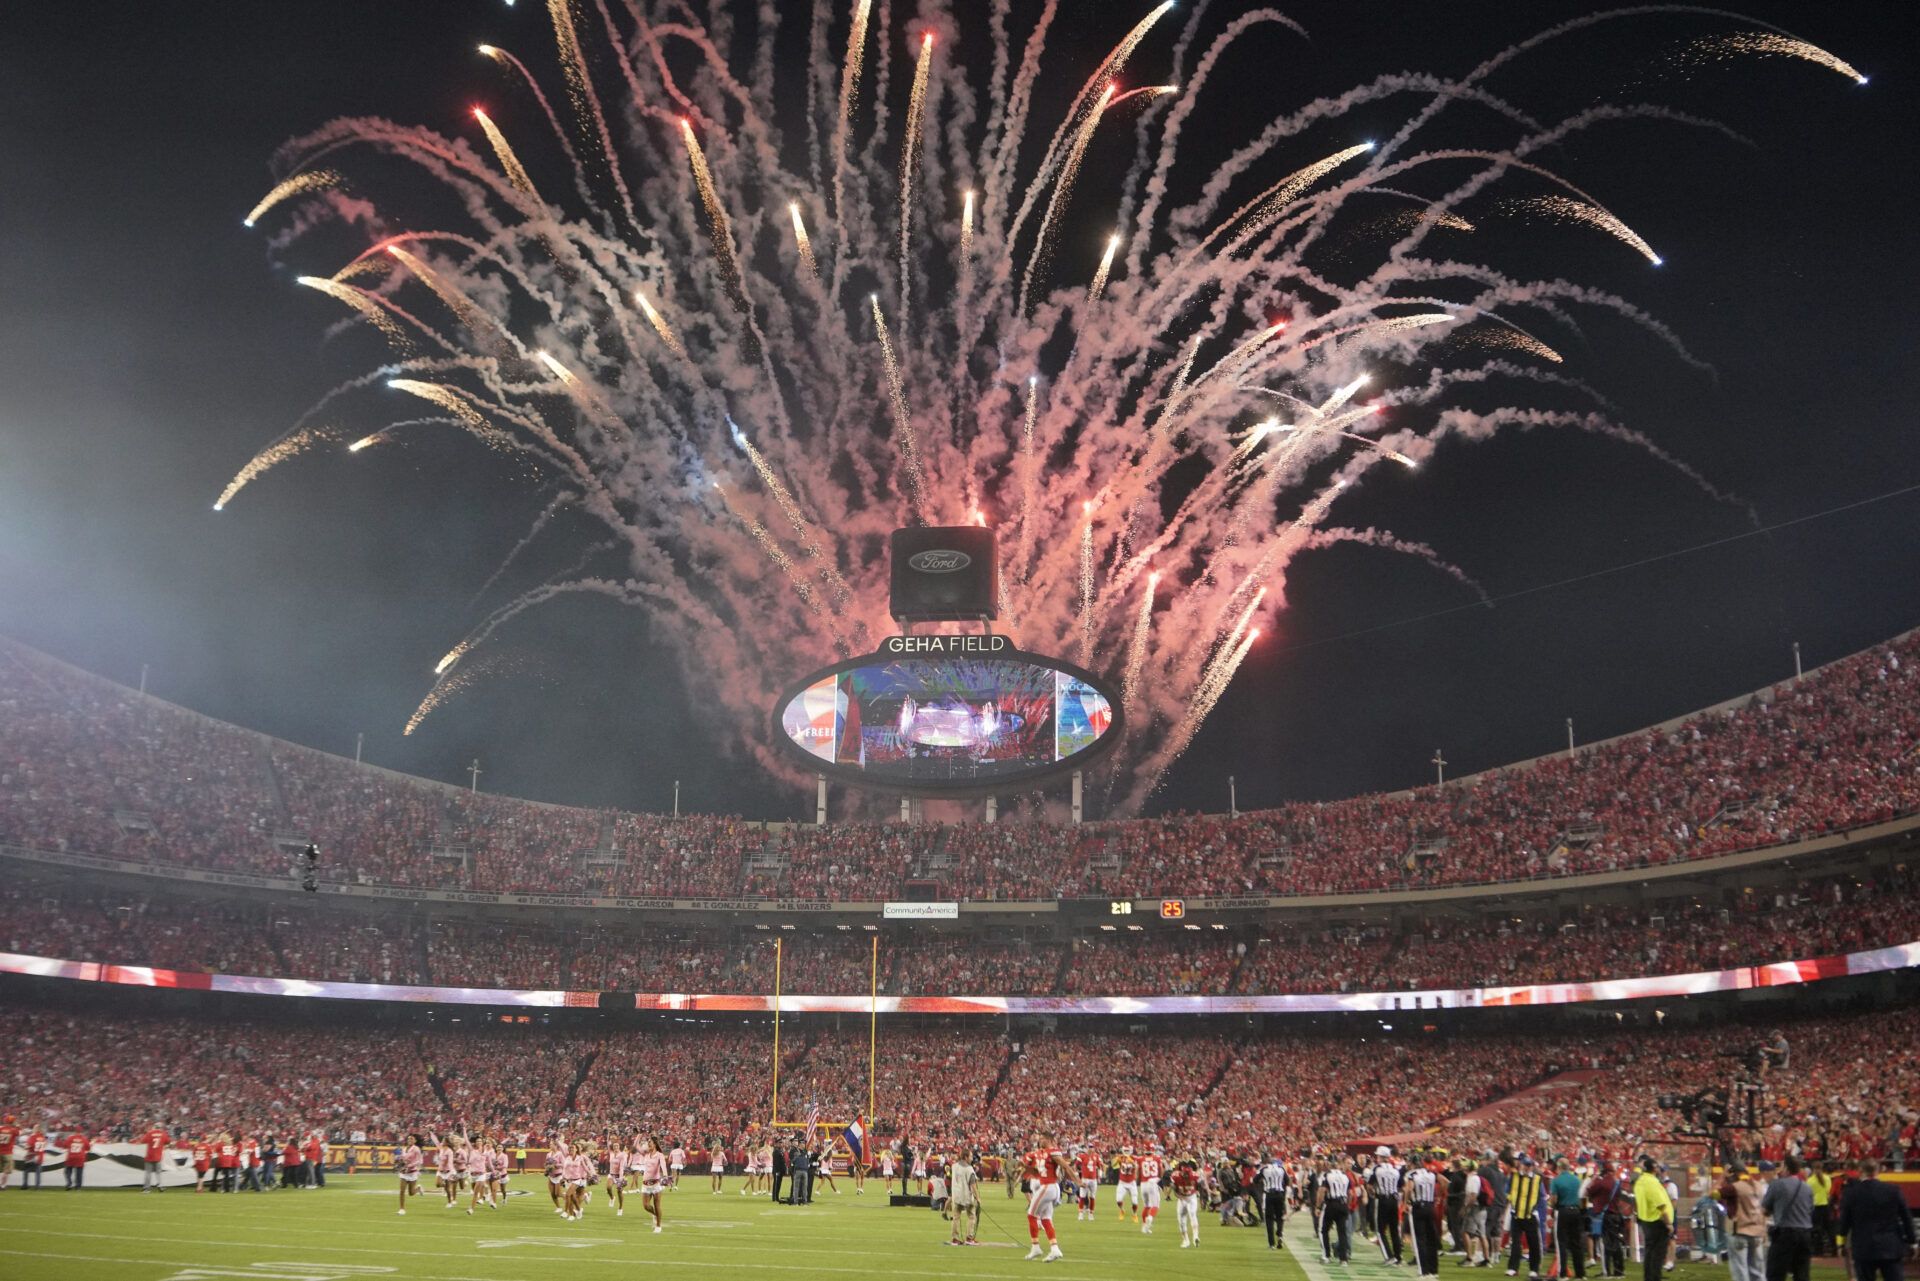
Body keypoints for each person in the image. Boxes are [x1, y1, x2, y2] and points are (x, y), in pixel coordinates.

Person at [1837, 1160, 1915, 1281]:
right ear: (1878, 1171)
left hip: (1863, 1247)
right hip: (1890, 1246)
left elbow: (1844, 1221)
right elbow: (1906, 1217)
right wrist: (1912, 1241)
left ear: (1860, 1172)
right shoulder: (1893, 1190)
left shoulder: (1851, 1193)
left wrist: (1841, 1242)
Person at [1763, 1155, 1816, 1281]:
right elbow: (1810, 1210)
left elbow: (1764, 1210)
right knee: (1802, 1273)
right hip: (1805, 1233)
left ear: (1786, 1167)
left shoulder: (1778, 1185)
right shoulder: (1807, 1187)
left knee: (1775, 1273)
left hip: (1785, 1233)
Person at [1022, 1130, 1067, 1262]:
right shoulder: (1043, 1153)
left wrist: (1078, 1181)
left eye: (1042, 1139)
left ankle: (1035, 1247)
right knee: (1046, 1218)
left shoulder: (1052, 1152)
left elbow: (1065, 1168)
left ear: (1048, 1140)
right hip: (1049, 1186)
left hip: (1049, 1186)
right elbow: (1038, 1171)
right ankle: (1054, 1248)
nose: (1039, 1141)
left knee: (1031, 1215)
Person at [1722, 1160, 1769, 1281]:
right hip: (1757, 1231)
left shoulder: (1734, 1187)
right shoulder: (1759, 1186)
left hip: (1740, 1231)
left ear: (1734, 1174)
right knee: (1758, 1271)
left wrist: (1723, 1177)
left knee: (1740, 1270)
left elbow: (1713, 1194)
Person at [1634, 1156, 1676, 1281]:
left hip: (1646, 1220)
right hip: (1657, 1221)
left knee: (1649, 1252)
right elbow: (1660, 1204)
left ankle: (1648, 1277)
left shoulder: (1640, 1181)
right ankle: (1655, 1278)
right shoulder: (1652, 1182)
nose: (1658, 1168)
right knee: (1658, 1254)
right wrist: (1668, 1223)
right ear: (1653, 1168)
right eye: (1657, 1166)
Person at [1509, 1155, 1547, 1280]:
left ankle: (1534, 1269)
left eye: (1529, 1165)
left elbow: (1542, 1197)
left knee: (1533, 1243)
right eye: (1525, 1165)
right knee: (1515, 1242)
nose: (1526, 1168)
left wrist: (1536, 1210)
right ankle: (1513, 1268)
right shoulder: (1514, 1176)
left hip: (1530, 1215)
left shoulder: (1537, 1179)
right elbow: (1507, 1191)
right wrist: (1512, 1204)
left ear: (1531, 1167)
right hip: (1516, 1214)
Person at [1553, 1157, 1590, 1280]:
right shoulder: (1576, 1180)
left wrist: (1552, 1206)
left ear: (1559, 1167)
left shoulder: (1556, 1181)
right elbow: (1582, 1196)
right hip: (1576, 1211)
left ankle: (1563, 1273)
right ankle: (1580, 1273)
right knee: (1576, 1243)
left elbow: (1554, 1199)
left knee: (1562, 1243)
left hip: (1563, 1211)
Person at [1410, 1153, 1443, 1278]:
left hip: (1419, 1206)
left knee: (1421, 1239)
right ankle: (1434, 1270)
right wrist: (1438, 1197)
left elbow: (1408, 1188)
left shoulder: (1413, 1174)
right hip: (1430, 1206)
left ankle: (1424, 1270)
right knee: (1431, 1239)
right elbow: (1445, 1182)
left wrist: (1408, 1201)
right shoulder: (1431, 1173)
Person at [1321, 1156, 1354, 1264]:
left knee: (1325, 1230)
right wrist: (1347, 1205)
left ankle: (1327, 1255)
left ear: (1330, 1165)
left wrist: (1318, 1205)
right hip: (1343, 1204)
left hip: (1331, 1204)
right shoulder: (1345, 1176)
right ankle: (1343, 1259)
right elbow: (1350, 1194)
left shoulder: (1328, 1175)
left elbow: (1323, 1190)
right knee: (1342, 1232)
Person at [947, 1150, 980, 1245]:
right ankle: (969, 1238)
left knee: (956, 1217)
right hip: (966, 1197)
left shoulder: (954, 1166)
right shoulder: (969, 1169)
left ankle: (955, 1239)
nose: (972, 1158)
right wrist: (978, 1197)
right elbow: (973, 1185)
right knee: (971, 1216)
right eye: (970, 1156)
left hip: (956, 1196)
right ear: (965, 1157)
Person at [636, 1137, 668, 1233]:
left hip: (656, 1183)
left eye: (650, 1143)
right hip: (645, 1184)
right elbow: (636, 1146)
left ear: (655, 1144)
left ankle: (658, 1226)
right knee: (645, 1206)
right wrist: (639, 1135)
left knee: (657, 1205)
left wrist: (665, 1176)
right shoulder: (646, 1154)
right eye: (648, 1142)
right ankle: (655, 1214)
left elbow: (663, 1166)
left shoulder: (659, 1155)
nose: (648, 1144)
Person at [1172, 1158, 1205, 1250]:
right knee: (1182, 1221)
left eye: (1187, 1174)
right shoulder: (1176, 1176)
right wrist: (1180, 1197)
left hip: (1191, 1198)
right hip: (1182, 1198)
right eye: (1184, 1174)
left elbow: (1200, 1187)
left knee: (1192, 1215)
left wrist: (1199, 1196)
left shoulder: (1194, 1176)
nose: (1186, 1176)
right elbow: (1174, 1191)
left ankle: (1195, 1237)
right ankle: (1187, 1240)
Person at [1264, 1152, 1292, 1252]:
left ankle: (1272, 1244)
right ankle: (1280, 1233)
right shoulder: (1282, 1170)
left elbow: (1255, 1179)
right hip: (1280, 1194)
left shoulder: (1266, 1169)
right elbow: (1288, 1181)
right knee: (1280, 1217)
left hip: (1270, 1194)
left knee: (1269, 1219)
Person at [1138, 1148, 1165, 1235]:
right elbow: (1161, 1171)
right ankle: (1149, 1219)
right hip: (1152, 1182)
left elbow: (1137, 1172)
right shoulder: (1157, 1158)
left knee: (1146, 1206)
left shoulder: (1140, 1159)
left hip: (1143, 1184)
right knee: (1155, 1206)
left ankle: (1144, 1227)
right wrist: (1159, 1179)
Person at [395, 1133, 423, 1215]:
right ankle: (402, 1209)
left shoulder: (416, 1149)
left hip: (412, 1172)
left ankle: (418, 1189)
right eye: (408, 1139)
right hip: (404, 1172)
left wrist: (409, 1166)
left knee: (411, 1193)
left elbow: (419, 1161)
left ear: (415, 1141)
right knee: (402, 1190)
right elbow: (403, 1158)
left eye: (411, 1139)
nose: (409, 1140)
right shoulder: (404, 1149)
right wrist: (399, 1161)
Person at [141, 1121, 169, 1193]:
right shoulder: (163, 1134)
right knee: (158, 1172)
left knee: (148, 1172)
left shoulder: (150, 1133)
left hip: (149, 1155)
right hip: (158, 1156)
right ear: (161, 1127)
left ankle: (147, 1188)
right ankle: (160, 1185)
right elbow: (168, 1141)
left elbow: (142, 1141)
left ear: (154, 1126)